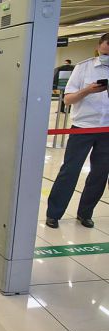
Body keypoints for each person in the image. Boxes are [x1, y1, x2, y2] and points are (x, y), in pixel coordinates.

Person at [46, 33, 109, 229]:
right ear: (99, 47)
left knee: (100, 173)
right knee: (70, 171)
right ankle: (54, 213)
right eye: (105, 51)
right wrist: (88, 90)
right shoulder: (83, 68)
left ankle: (85, 213)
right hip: (82, 128)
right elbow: (67, 99)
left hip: (106, 129)